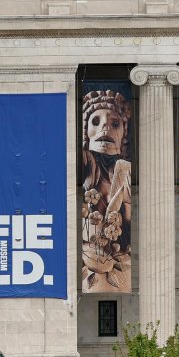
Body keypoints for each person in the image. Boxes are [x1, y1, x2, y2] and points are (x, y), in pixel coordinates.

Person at [80, 88, 133, 293]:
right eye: (96, 122)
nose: (105, 127)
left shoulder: (123, 172)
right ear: (86, 132)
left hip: (117, 260)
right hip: (88, 259)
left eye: (115, 123)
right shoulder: (86, 166)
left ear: (123, 134)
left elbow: (127, 223)